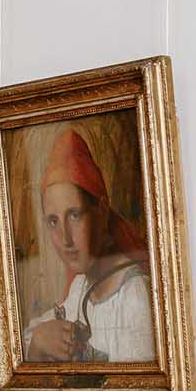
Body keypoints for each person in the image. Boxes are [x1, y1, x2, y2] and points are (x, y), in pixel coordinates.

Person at [24, 128, 155, 363]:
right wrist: (40, 339)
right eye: (53, 221)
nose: (65, 239)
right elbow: (25, 343)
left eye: (74, 215)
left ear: (102, 212)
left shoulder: (133, 295)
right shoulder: (81, 287)